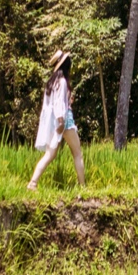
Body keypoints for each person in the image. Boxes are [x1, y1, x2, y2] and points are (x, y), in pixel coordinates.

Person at [28, 49, 85, 190]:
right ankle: (82, 186)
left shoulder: (51, 82)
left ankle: (33, 183)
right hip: (64, 121)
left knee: (50, 154)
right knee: (77, 153)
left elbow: (52, 104)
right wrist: (61, 122)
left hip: (55, 122)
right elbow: (59, 104)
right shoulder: (62, 82)